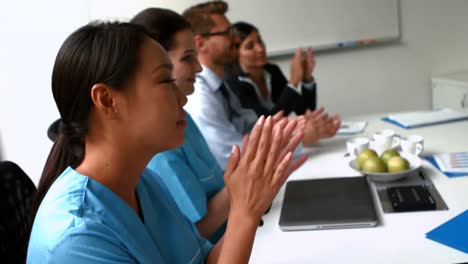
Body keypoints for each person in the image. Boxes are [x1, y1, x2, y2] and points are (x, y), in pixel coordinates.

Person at [27, 21, 304, 263]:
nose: (183, 98)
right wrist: (244, 211)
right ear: (108, 100)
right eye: (164, 80)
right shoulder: (77, 238)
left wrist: (247, 208)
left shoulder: (146, 184)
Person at [130, 8, 295, 243]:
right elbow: (193, 233)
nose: (198, 68)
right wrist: (244, 177)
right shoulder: (157, 143)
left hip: (240, 234)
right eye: (188, 57)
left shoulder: (184, 119)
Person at [183, 1, 340, 168]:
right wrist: (296, 139)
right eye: (227, 33)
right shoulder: (201, 96)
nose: (235, 38)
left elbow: (251, 127)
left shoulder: (221, 86)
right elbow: (230, 155)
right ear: (200, 44)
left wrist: (290, 129)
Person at [226, 21, 319, 117]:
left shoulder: (272, 71)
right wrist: (293, 82)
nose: (260, 48)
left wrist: (307, 78)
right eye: (250, 46)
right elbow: (264, 122)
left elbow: (305, 112)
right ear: (235, 53)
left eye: (260, 41)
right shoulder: (233, 83)